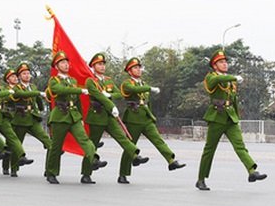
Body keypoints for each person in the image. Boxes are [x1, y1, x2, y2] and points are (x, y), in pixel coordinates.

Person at [196, 50, 267, 191]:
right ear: (215, 65)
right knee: (209, 150)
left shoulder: (229, 81)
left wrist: (236, 117)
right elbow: (215, 82)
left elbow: (233, 100)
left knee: (240, 146)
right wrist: (232, 77)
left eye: (225, 62)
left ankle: (252, 171)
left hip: (230, 117)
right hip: (217, 116)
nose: (224, 64)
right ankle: (200, 179)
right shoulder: (211, 77)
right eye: (221, 62)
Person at [82, 53, 148, 184]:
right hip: (97, 116)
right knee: (92, 146)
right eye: (99, 64)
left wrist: (110, 96)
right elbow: (98, 96)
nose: (102, 66)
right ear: (93, 66)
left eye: (103, 64)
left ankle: (135, 155)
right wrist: (110, 103)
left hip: (109, 117)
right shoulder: (90, 81)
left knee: (122, 137)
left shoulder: (108, 80)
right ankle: (86, 174)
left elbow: (119, 94)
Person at [119, 58, 185, 183]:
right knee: (130, 146)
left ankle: (171, 161)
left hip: (146, 118)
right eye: (135, 68)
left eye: (139, 67)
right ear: (129, 71)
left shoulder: (143, 84)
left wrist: (151, 115)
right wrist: (148, 88)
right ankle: (123, 174)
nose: (138, 69)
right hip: (133, 118)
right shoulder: (127, 84)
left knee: (158, 140)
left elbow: (147, 103)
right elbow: (133, 91)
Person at [45, 52, 107, 184]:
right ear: (56, 66)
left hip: (74, 116)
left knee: (84, 139)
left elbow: (77, 100)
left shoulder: (73, 81)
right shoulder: (54, 81)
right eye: (62, 63)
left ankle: (94, 159)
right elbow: (60, 91)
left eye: (67, 62)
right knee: (56, 146)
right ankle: (51, 172)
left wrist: (80, 116)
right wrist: (79, 90)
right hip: (60, 116)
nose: (66, 65)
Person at [0, 64, 33, 177]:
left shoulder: (1, 87)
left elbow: (5, 98)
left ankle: (21, 156)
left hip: (2, 117)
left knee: (12, 137)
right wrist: (9, 92)